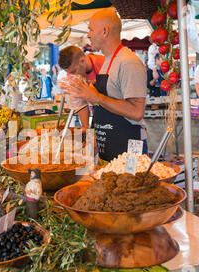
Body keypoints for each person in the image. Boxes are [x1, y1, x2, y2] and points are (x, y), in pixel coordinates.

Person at [60, 8, 148, 162]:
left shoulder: (129, 62)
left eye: (91, 29)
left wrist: (96, 97)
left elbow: (137, 112)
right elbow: (104, 103)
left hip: (128, 152)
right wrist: (93, 134)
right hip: (107, 148)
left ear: (105, 31)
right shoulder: (108, 60)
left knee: (130, 186)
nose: (88, 35)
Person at [58, 45, 106, 128]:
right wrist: (86, 129)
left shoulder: (104, 64)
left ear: (82, 61)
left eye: (74, 71)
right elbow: (81, 103)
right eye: (69, 72)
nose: (73, 75)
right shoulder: (73, 73)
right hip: (98, 114)